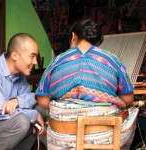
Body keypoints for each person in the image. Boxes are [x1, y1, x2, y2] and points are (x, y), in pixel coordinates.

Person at [36, 19, 138, 149]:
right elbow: (128, 99)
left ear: (73, 36)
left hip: (62, 139)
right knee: (132, 114)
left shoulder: (57, 61)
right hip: (103, 138)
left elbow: (43, 101)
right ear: (97, 41)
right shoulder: (111, 60)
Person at [0, 33, 46, 150]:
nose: (35, 62)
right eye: (32, 56)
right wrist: (33, 115)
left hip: (6, 124)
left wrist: (17, 100)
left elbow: (31, 98)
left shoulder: (20, 75)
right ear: (15, 55)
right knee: (23, 121)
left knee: (41, 110)